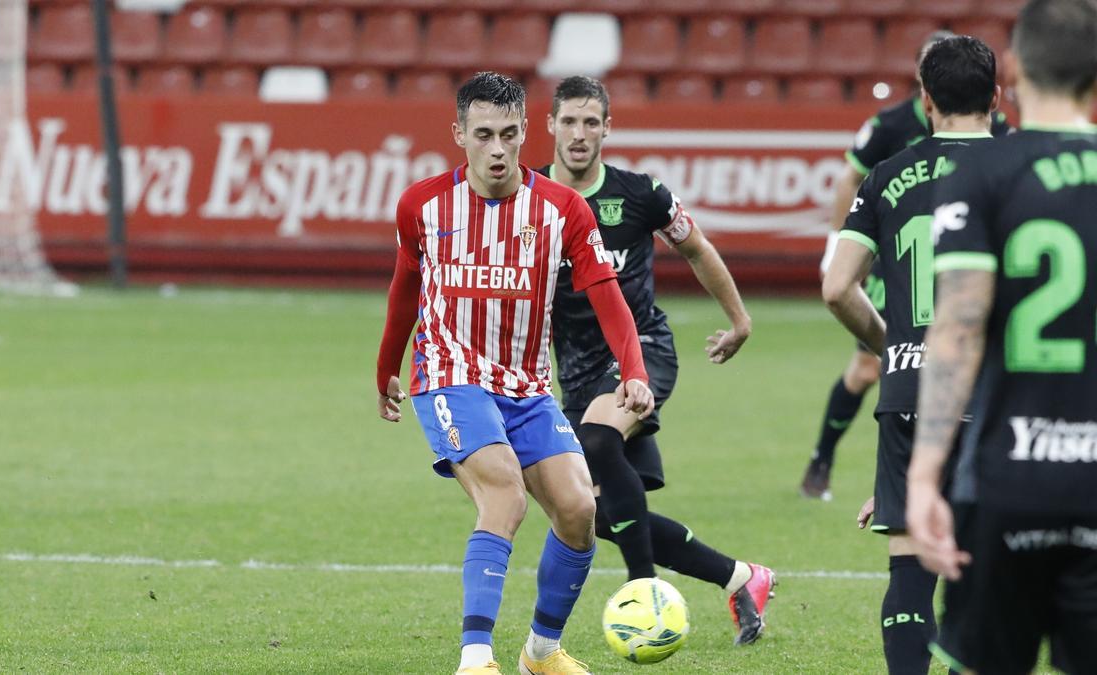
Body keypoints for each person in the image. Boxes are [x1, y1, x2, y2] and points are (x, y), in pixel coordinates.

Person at [375, 72, 655, 675]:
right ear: (459, 135)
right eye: (483, 135)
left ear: (527, 132)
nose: (497, 149)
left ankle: (541, 653)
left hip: (526, 386)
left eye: (508, 134)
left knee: (580, 509)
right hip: (449, 372)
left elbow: (607, 294)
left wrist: (633, 370)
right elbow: (405, 289)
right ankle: (475, 659)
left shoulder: (562, 210)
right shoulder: (421, 205)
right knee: (503, 490)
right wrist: (386, 369)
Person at [539, 76, 775, 646]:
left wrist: (739, 320)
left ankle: (642, 594)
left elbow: (695, 247)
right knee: (599, 515)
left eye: (591, 122)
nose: (579, 133)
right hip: (575, 374)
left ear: (607, 129)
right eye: (569, 120)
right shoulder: (529, 202)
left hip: (642, 349)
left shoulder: (643, 193)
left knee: (598, 438)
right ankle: (742, 578)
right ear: (549, 126)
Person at [907, 1, 1097, 673]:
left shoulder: (982, 174)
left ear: (1011, 71)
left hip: (1005, 482)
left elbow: (957, 326)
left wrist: (924, 474)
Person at [823, 35, 999, 675]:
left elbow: (836, 287)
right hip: (992, 390)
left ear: (925, 101)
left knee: (909, 565)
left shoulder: (888, 176)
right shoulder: (1021, 167)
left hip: (907, 390)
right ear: (996, 97)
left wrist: (890, 344)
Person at [800, 30, 1012, 500]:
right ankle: (821, 459)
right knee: (862, 371)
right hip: (904, 275)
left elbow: (838, 283)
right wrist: (837, 242)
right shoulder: (894, 126)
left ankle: (897, 485)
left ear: (928, 89)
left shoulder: (904, 166)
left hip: (913, 371)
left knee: (879, 372)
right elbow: (848, 177)